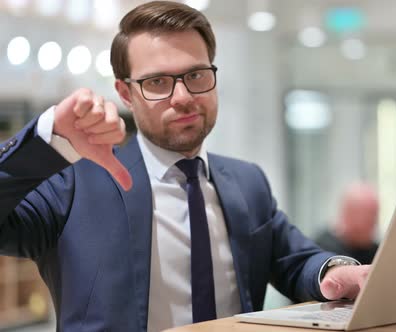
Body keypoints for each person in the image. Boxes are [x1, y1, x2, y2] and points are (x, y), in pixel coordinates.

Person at [0, 2, 370, 331]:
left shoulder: (246, 181)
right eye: (157, 82)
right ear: (126, 92)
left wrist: (336, 273)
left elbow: (295, 259)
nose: (183, 97)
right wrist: (48, 140)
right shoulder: (74, 184)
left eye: (195, 75)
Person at [315, 183, 379, 264]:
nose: (372, 222)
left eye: (374, 214)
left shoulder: (377, 252)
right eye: (365, 215)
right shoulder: (323, 249)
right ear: (346, 213)